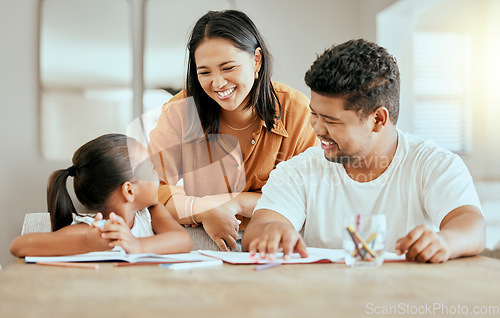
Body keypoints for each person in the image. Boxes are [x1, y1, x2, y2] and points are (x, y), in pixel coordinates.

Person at [241, 39, 486, 263]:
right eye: (314, 114)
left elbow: (470, 224)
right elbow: (259, 228)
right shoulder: (298, 170)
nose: (316, 128)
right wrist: (271, 231)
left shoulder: (433, 164)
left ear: (378, 119)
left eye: (331, 120)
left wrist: (445, 241)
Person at [148, 10, 317, 251]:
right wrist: (204, 211)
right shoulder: (180, 111)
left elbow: (307, 196)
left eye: (228, 68)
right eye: (205, 72)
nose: (217, 84)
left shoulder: (296, 111)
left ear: (256, 60)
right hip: (204, 239)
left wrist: (232, 204)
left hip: (279, 241)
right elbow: (152, 189)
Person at [10, 133, 193, 257]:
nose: (158, 176)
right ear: (129, 190)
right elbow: (18, 246)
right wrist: (86, 243)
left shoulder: (151, 212)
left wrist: (136, 245)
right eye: (152, 170)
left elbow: (184, 241)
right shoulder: (94, 231)